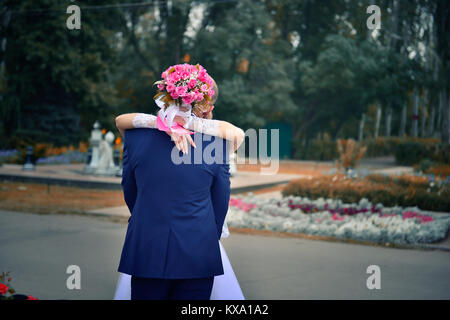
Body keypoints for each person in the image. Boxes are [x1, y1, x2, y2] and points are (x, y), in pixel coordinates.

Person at [114, 63, 245, 300]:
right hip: (198, 251)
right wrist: (203, 234)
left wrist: (147, 217)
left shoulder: (135, 137)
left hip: (146, 247)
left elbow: (130, 192)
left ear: (167, 96)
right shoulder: (217, 144)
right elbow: (220, 204)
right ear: (206, 104)